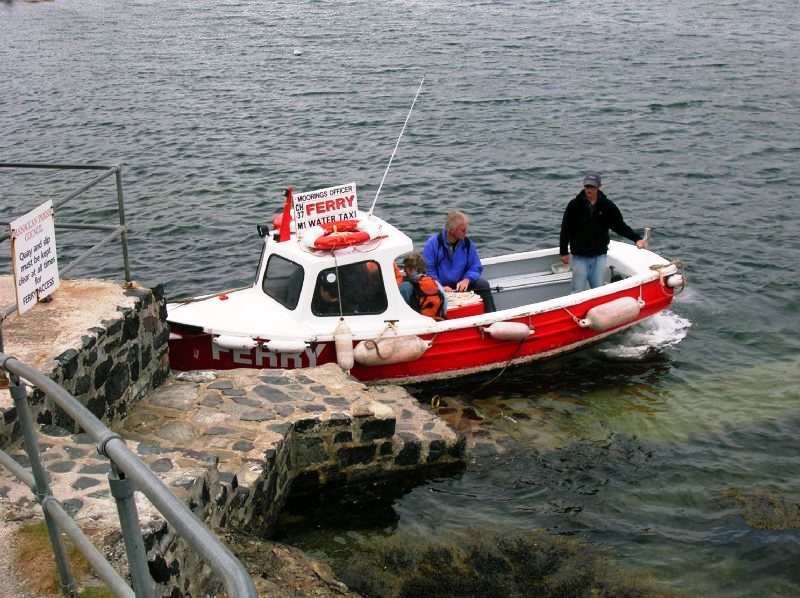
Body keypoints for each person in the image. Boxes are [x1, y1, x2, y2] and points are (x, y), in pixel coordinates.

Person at [560, 171, 646, 294]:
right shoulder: (574, 205)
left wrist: (636, 239)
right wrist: (563, 251)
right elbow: (565, 228)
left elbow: (619, 226)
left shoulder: (607, 206)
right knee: (577, 288)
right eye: (587, 186)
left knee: (598, 289)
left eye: (592, 187)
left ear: (599, 187)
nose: (589, 190)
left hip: (599, 255)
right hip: (580, 255)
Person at [422, 210, 496, 312]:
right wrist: (440, 286)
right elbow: (429, 270)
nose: (466, 233)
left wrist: (467, 279)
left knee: (483, 284)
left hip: (462, 284)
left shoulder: (467, 244)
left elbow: (476, 267)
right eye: (463, 230)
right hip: (440, 286)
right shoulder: (432, 244)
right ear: (452, 230)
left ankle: (491, 319)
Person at [399, 252, 447, 319]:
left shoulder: (404, 287)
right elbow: (444, 309)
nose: (404, 270)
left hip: (417, 323)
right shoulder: (436, 284)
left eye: (406, 268)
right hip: (437, 320)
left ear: (414, 269)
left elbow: (400, 310)